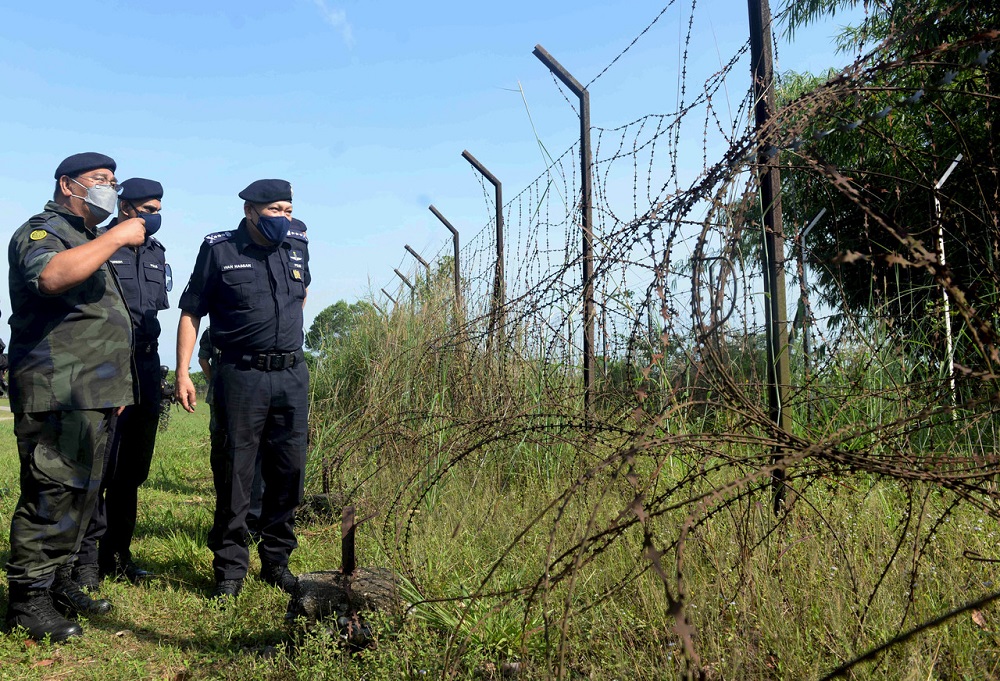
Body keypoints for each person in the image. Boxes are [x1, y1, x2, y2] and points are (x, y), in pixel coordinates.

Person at [4, 152, 146, 641]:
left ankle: (59, 582)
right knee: (51, 494)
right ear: (69, 185)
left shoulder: (87, 238)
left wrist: (116, 388)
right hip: (57, 390)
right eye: (99, 180)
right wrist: (116, 237)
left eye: (113, 179)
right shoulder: (43, 232)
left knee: (82, 496)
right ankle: (27, 601)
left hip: (94, 392)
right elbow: (50, 278)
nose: (110, 187)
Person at [175, 179, 310, 599]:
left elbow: (301, 294)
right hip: (241, 375)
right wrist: (182, 372)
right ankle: (231, 570)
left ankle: (277, 562)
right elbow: (191, 311)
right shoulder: (219, 250)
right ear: (251, 212)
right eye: (274, 211)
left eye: (288, 210)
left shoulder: (298, 246)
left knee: (289, 470)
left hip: (291, 375)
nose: (283, 219)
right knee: (236, 471)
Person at [74, 178, 170, 589]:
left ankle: (118, 555)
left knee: (131, 470)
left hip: (146, 366)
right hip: (106, 365)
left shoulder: (155, 252)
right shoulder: (97, 243)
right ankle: (87, 563)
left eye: (160, 206)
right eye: (149, 207)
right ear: (126, 207)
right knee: (101, 467)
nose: (156, 214)